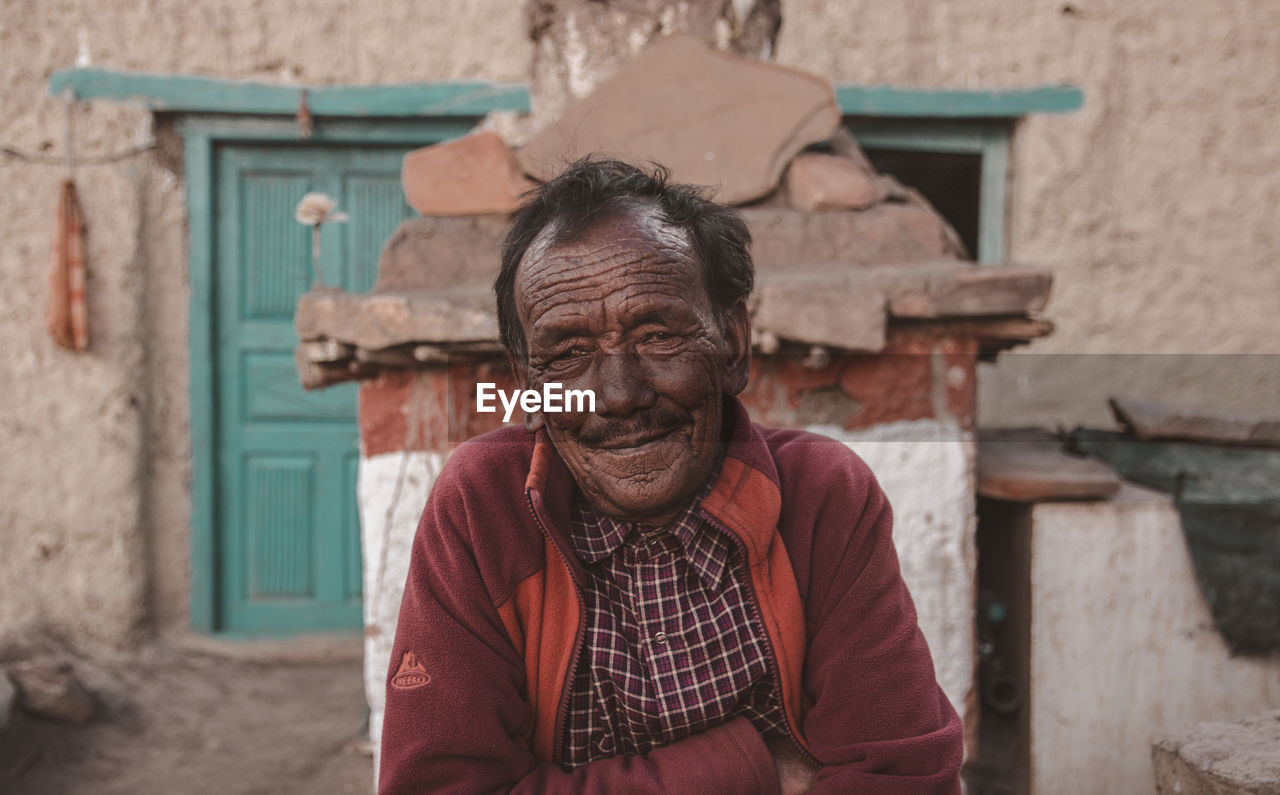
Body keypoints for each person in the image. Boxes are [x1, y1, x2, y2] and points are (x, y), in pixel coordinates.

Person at [379, 158, 963, 793]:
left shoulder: (822, 498)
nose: (619, 394)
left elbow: (906, 777)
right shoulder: (482, 508)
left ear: (733, 345)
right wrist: (753, 769)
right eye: (568, 355)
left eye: (658, 336)